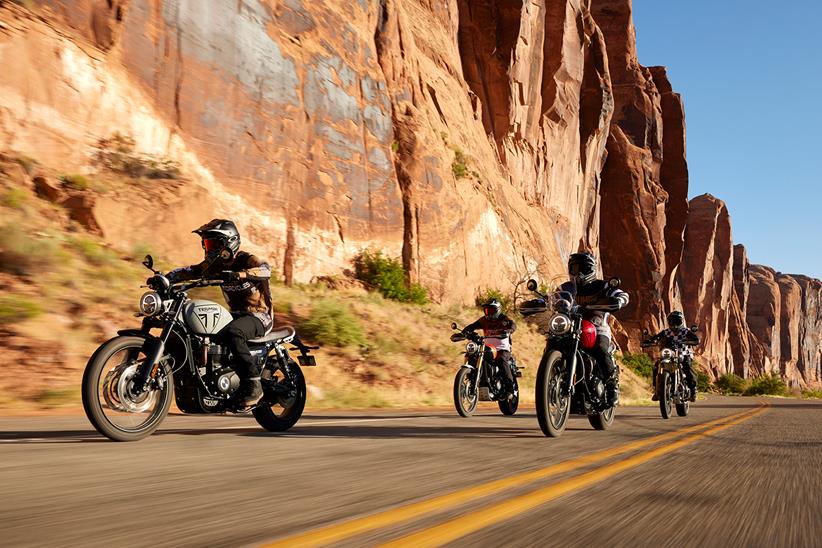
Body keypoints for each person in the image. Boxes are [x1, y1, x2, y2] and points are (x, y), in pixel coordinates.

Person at [167, 219, 273, 407]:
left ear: (229, 242)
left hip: (259, 316)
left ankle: (254, 385)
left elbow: (265, 269)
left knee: (234, 333)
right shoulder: (214, 266)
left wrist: (240, 274)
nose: (209, 248)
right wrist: (165, 277)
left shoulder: (246, 260)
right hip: (234, 316)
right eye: (207, 243)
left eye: (214, 243)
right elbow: (193, 270)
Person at [554, 252, 629, 406]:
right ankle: (553, 378)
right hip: (571, 326)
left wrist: (618, 300)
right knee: (553, 342)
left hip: (597, 327)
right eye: (573, 268)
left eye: (581, 268)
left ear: (590, 269)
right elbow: (553, 297)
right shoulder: (566, 287)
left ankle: (611, 385)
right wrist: (540, 301)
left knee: (600, 349)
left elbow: (621, 294)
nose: (577, 273)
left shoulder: (603, 285)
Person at [464, 299, 517, 399]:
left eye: (491, 310)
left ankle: (510, 389)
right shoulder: (483, 320)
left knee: (502, 360)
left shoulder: (504, 319)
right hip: (488, 348)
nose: (488, 313)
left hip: (502, 348)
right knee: (473, 355)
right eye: (487, 310)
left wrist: (508, 331)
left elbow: (513, 325)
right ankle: (473, 381)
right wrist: (464, 332)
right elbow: (472, 326)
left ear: (497, 310)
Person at [643, 311, 700, 402]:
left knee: (687, 366)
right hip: (669, 354)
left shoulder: (686, 331)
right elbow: (656, 338)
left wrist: (692, 341)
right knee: (656, 366)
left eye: (676, 321)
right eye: (672, 321)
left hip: (684, 353)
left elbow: (696, 339)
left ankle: (693, 391)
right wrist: (648, 341)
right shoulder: (666, 332)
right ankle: (657, 390)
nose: (674, 324)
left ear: (681, 322)